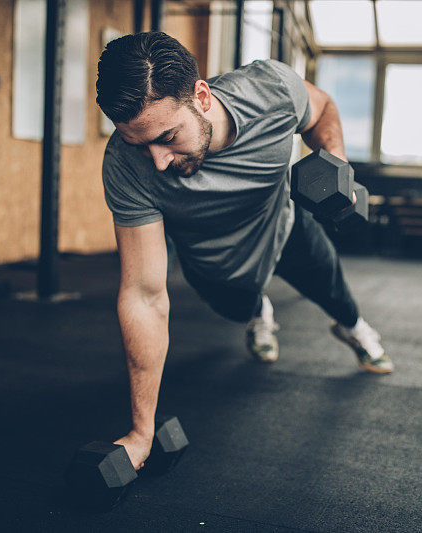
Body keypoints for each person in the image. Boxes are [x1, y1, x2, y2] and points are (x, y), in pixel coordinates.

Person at [95, 32, 394, 469]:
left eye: (167, 136)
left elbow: (323, 108)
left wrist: (337, 160)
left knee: (333, 288)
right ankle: (259, 314)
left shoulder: (271, 90)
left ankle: (354, 327)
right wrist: (142, 432)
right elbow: (143, 294)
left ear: (201, 95)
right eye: (141, 144)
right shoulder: (125, 165)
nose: (157, 161)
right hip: (216, 264)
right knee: (240, 306)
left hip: (282, 225)